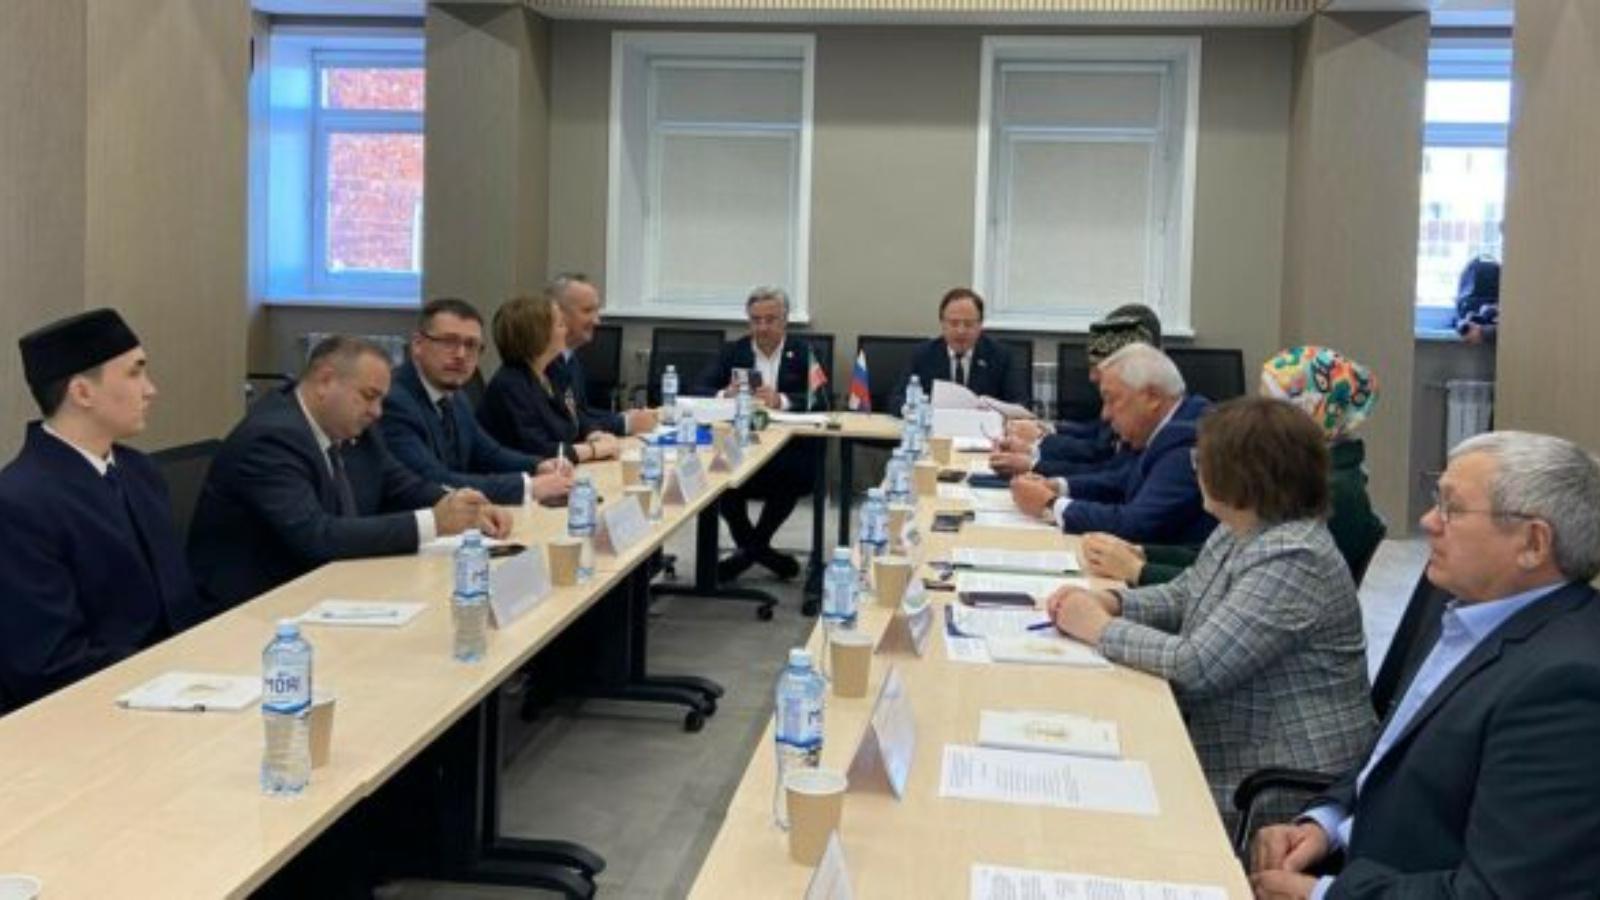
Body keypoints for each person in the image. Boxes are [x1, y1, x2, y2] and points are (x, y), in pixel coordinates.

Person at [1251, 431, 1600, 899]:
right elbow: (1392, 754)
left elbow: (1499, 893)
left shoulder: (1568, 685)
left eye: (1452, 509)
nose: (1428, 521)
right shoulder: (1461, 604)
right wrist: (1325, 822)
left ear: (1533, 543)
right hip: (1353, 860)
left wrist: (1323, 895)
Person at [1048, 397, 1375, 830]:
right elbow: (1185, 594)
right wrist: (1116, 602)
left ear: (1242, 475)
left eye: (1201, 460)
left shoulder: (1295, 556)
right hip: (1225, 740)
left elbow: (1196, 667)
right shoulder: (1246, 526)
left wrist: (1099, 628)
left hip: (1271, 781)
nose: (1196, 469)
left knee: (1085, 803)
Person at [189, 336, 511, 609]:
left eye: (381, 400)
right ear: (325, 381)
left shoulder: (351, 427)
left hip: (325, 587)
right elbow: (317, 535)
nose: (377, 412)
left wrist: (461, 506)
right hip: (254, 607)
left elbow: (398, 483)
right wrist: (435, 522)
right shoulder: (272, 438)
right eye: (369, 396)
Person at [0, 309, 205, 712]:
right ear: (82, 392)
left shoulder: (139, 470)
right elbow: (49, 664)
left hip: (178, 683)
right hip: (94, 708)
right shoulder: (19, 501)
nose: (150, 390)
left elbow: (181, 602)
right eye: (134, 373)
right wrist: (169, 675)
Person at [1084, 346, 1384, 587]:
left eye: (1270, 405)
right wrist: (1142, 553)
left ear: (1306, 412)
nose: (1257, 415)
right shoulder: (1314, 473)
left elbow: (1246, 586)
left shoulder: (1330, 491)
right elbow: (1223, 557)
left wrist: (1140, 570)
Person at [1010, 343, 1214, 545]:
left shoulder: (1189, 439)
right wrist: (1057, 486)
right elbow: (1121, 481)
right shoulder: (1167, 426)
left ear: (1152, 397)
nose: (1105, 415)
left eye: (1112, 399)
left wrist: (1050, 504)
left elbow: (1136, 525)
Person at [381, 297, 572, 507]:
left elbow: (488, 453)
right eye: (448, 342)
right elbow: (435, 480)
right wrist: (527, 487)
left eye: (471, 345)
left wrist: (538, 465)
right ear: (418, 344)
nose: (461, 355)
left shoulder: (457, 395)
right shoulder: (392, 400)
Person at [693, 286, 823, 581]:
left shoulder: (804, 352)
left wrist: (781, 400)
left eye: (771, 320)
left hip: (789, 451)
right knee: (718, 475)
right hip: (741, 445)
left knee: (793, 475)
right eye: (756, 320)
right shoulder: (733, 351)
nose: (762, 327)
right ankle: (760, 552)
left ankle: (749, 552)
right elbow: (697, 389)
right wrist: (725, 394)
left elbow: (822, 400)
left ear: (785, 320)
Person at [992, 305, 1161, 478]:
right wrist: (1044, 433)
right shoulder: (1131, 398)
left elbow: (1102, 460)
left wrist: (1037, 450)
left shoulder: (1152, 413)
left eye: (1105, 363)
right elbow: (1097, 433)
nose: (1092, 376)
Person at [478, 294, 621, 466]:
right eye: (560, 324)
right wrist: (593, 450)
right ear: (538, 335)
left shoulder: (553, 369)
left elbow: (576, 414)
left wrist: (594, 434)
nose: (566, 330)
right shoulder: (510, 385)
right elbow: (537, 449)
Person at [545, 273, 658, 437]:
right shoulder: (545, 362)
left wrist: (624, 417)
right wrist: (625, 424)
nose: (597, 321)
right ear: (558, 314)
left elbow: (580, 411)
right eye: (587, 311)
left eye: (596, 311)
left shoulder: (570, 356)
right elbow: (566, 422)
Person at [888, 287, 1029, 412]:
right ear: (942, 324)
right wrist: (918, 410)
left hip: (982, 430)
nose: (961, 331)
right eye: (954, 323)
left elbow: (1021, 404)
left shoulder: (1000, 356)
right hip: (936, 428)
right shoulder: (923, 354)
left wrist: (993, 409)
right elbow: (896, 400)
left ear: (980, 325)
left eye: (968, 324)